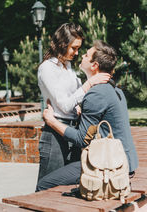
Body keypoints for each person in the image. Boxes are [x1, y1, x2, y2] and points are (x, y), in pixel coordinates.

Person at [36, 40, 138, 191]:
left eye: (86, 55)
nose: (80, 55)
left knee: (44, 185)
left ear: (94, 65)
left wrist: (51, 121)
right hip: (127, 161)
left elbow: (82, 139)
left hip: (111, 165)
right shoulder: (115, 90)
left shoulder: (96, 93)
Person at [37, 24, 111, 183]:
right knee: (46, 188)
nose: (77, 53)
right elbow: (64, 105)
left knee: (69, 187)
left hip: (74, 131)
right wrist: (89, 84)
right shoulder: (47, 69)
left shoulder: (68, 67)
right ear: (62, 44)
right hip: (55, 134)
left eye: (79, 48)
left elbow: (74, 98)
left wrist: (79, 105)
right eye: (74, 48)